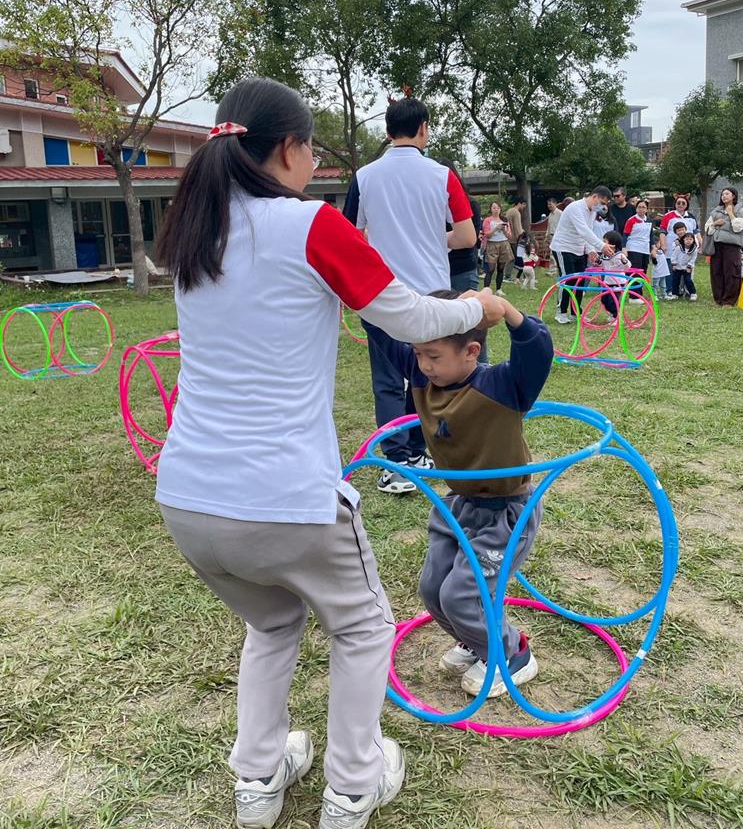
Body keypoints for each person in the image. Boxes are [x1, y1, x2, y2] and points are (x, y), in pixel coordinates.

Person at [154, 77, 507, 829]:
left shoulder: (194, 231)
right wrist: (480, 305)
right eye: (312, 149)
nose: (315, 164)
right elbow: (412, 317)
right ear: (287, 148)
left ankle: (257, 779)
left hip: (187, 499)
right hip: (286, 499)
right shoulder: (309, 223)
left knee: (272, 624)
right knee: (363, 627)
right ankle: (353, 784)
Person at [366, 290, 553, 698]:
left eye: (433, 355)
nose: (422, 365)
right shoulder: (422, 376)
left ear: (471, 351)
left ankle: (512, 653)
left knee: (462, 594)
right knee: (433, 589)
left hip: (506, 512)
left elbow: (537, 349)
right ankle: (474, 640)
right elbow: (379, 327)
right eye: (418, 354)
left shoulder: (503, 385)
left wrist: (505, 310)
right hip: (457, 507)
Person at [343, 97, 478, 494]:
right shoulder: (442, 175)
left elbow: (351, 238)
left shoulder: (364, 177)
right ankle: (418, 451)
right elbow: (467, 236)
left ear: (387, 131)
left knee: (387, 380)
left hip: (381, 293)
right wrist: (435, 240)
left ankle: (395, 462)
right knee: (426, 374)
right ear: (424, 128)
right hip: (433, 296)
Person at [437, 158, 488, 363]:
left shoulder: (468, 203)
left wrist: (436, 240)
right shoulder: (430, 204)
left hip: (462, 270)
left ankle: (481, 366)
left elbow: (469, 239)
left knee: (472, 323)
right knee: (441, 325)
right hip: (437, 271)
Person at [549, 186, 615, 324]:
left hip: (579, 249)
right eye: (602, 203)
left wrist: (590, 250)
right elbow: (583, 230)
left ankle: (576, 312)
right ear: (595, 197)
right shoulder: (575, 208)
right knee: (568, 279)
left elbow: (588, 231)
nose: (603, 207)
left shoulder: (592, 212)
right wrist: (601, 246)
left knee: (580, 280)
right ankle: (561, 312)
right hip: (563, 247)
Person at [707, 187, 743, 306]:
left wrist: (731, 213)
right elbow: (708, 228)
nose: (724, 196)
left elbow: (739, 228)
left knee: (731, 272)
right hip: (717, 245)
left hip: (732, 246)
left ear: (733, 196)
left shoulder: (741, 211)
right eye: (722, 194)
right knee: (716, 272)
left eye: (727, 194)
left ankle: (729, 300)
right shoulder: (716, 211)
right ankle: (718, 299)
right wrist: (715, 223)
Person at [659, 194, 701, 298]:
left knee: (687, 270)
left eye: (683, 203)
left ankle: (687, 291)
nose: (681, 205)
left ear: (687, 205)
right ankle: (671, 291)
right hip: (672, 249)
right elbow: (662, 231)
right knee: (672, 270)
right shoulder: (668, 216)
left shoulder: (691, 216)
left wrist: (701, 244)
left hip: (687, 250)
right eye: (678, 203)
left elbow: (696, 232)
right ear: (675, 204)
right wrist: (663, 244)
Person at [597, 230, 631, 320]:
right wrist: (597, 261)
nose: (603, 244)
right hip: (607, 282)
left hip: (618, 282)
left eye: (605, 242)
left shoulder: (620, 255)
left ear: (613, 244)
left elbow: (628, 266)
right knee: (604, 300)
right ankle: (613, 314)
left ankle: (617, 317)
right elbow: (603, 265)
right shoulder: (604, 255)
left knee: (613, 301)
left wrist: (624, 261)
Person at [482, 201, 513, 294]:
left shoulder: (504, 220)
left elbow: (509, 236)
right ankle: (486, 290)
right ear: (491, 209)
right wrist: (496, 228)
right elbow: (487, 234)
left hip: (504, 243)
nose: (496, 210)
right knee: (490, 269)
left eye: (498, 208)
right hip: (492, 244)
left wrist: (504, 230)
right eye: (494, 208)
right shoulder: (487, 220)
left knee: (501, 268)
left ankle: (498, 289)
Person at [622, 198, 656, 274]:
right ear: (636, 209)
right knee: (634, 272)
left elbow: (650, 236)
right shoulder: (631, 220)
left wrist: (653, 249)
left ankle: (640, 283)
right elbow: (625, 235)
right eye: (639, 207)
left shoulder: (649, 221)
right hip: (633, 249)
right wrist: (624, 248)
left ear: (647, 209)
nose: (641, 209)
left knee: (643, 272)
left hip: (645, 250)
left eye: (643, 207)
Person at [503, 197, 527, 281]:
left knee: (511, 257)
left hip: (508, 237)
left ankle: (507, 275)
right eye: (524, 204)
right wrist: (522, 236)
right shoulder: (516, 213)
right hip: (515, 239)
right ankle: (524, 276)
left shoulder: (509, 211)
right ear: (520, 203)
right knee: (520, 257)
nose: (524, 207)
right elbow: (518, 228)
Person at [670, 231, 698, 300]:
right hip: (677, 267)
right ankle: (674, 294)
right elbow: (674, 256)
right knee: (675, 281)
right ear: (683, 240)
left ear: (693, 240)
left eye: (690, 239)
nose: (688, 241)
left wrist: (689, 266)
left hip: (687, 268)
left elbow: (693, 259)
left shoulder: (694, 249)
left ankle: (693, 293)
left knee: (688, 280)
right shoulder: (679, 248)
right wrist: (674, 264)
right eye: (687, 239)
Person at [545, 197, 562, 275]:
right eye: (548, 204)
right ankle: (552, 270)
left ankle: (556, 269)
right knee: (551, 253)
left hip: (558, 236)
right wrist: (546, 236)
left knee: (557, 253)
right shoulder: (550, 214)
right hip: (551, 236)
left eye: (550, 204)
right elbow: (549, 226)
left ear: (555, 204)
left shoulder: (560, 213)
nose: (549, 206)